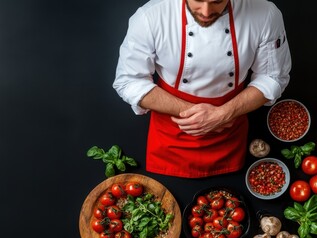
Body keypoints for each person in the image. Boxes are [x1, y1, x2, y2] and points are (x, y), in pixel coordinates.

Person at [113, 0, 291, 178]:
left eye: (217, 1)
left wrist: (225, 114)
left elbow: (272, 76)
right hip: (171, 134)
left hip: (230, 131)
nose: (206, 12)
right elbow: (129, 81)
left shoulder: (265, 14)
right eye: (198, 0)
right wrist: (203, 116)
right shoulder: (150, 16)